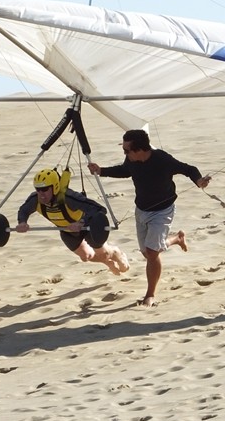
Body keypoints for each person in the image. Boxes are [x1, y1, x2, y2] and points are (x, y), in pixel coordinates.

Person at [87, 129, 210, 307]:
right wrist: (101, 170)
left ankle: (150, 295)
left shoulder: (162, 159)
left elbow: (188, 169)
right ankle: (177, 238)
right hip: (141, 211)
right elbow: (125, 171)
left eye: (127, 150)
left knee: (152, 253)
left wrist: (199, 181)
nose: (125, 153)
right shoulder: (132, 160)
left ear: (140, 149)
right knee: (147, 252)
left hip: (162, 211)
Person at [16, 168, 130, 275]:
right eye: (38, 189)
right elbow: (23, 210)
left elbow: (99, 209)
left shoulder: (69, 198)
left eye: (45, 189)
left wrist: (81, 222)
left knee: (103, 253)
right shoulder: (35, 199)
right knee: (86, 257)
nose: (41, 193)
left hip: (87, 226)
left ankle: (116, 253)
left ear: (55, 187)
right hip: (67, 231)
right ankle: (107, 262)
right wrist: (22, 222)